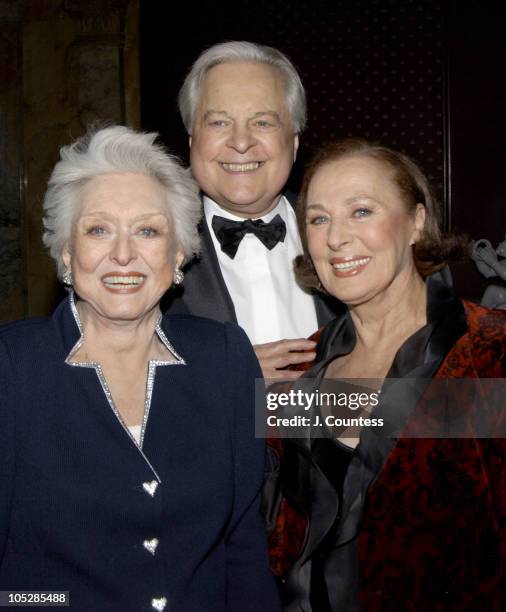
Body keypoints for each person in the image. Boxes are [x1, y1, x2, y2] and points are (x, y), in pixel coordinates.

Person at [0, 126, 281, 612]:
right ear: (68, 253)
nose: (124, 254)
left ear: (178, 255)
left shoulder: (226, 358)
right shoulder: (12, 366)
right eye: (98, 230)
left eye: (148, 231)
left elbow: (244, 545)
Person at [267, 139, 506, 610]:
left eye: (361, 211)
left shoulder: (490, 351)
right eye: (318, 219)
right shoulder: (298, 369)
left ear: (416, 221)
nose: (336, 237)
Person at [167, 41, 338, 379]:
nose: (241, 142)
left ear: (294, 141)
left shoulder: (352, 238)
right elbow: (101, 386)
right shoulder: (143, 249)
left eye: (262, 122)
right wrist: (222, 379)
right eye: (218, 123)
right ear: (191, 139)